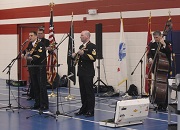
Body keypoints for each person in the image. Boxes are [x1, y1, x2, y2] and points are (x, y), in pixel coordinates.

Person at [22, 31, 49, 110]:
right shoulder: (30, 44)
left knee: (42, 87)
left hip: (39, 68)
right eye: (29, 35)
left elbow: (39, 55)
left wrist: (31, 58)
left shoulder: (40, 44)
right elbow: (26, 51)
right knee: (35, 86)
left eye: (31, 35)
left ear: (36, 36)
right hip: (32, 68)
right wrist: (23, 54)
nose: (29, 37)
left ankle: (44, 104)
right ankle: (37, 103)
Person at [72, 30, 96, 117]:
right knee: (83, 92)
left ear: (87, 36)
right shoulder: (81, 46)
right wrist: (74, 55)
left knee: (89, 92)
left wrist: (83, 54)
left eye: (82, 35)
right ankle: (84, 108)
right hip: (81, 72)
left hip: (88, 72)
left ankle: (90, 110)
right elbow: (78, 59)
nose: (80, 37)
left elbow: (93, 58)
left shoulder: (92, 46)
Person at [147, 30, 172, 111]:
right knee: (156, 86)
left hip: (164, 68)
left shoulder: (167, 43)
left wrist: (164, 44)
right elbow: (149, 53)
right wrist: (150, 58)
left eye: (157, 37)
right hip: (156, 68)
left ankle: (164, 104)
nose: (156, 39)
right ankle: (157, 102)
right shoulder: (153, 44)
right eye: (154, 37)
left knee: (164, 86)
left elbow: (169, 52)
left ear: (161, 36)